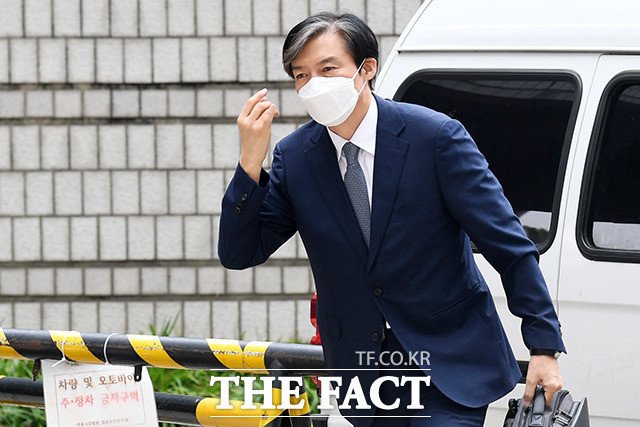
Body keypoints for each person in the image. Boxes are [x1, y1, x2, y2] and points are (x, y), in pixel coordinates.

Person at [218, 11, 565, 426]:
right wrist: (250, 164)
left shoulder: (435, 137)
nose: (313, 85)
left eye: (328, 69)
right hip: (364, 377)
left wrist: (543, 347)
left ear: (366, 69)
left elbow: (508, 245)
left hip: (447, 362)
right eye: (301, 76)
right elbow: (239, 253)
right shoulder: (295, 158)